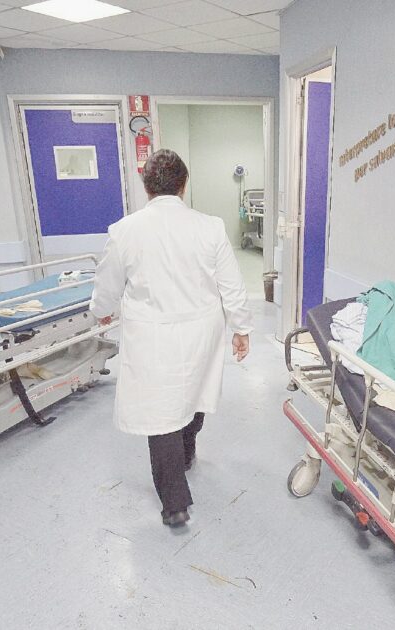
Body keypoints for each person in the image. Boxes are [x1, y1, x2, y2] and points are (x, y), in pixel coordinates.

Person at [90, 149, 252, 527]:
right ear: (184, 185)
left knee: (159, 412)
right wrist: (241, 327)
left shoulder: (124, 231)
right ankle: (187, 449)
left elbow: (107, 285)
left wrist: (102, 310)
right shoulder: (210, 227)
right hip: (202, 331)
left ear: (146, 186)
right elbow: (231, 284)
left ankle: (175, 504)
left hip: (152, 335)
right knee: (194, 390)